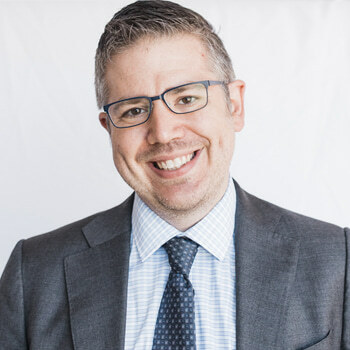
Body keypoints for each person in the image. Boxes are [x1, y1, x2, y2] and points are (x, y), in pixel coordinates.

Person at [0, 1, 348, 349]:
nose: (164, 133)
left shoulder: (337, 262)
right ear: (109, 128)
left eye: (186, 99)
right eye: (134, 110)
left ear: (235, 105)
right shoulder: (33, 275)